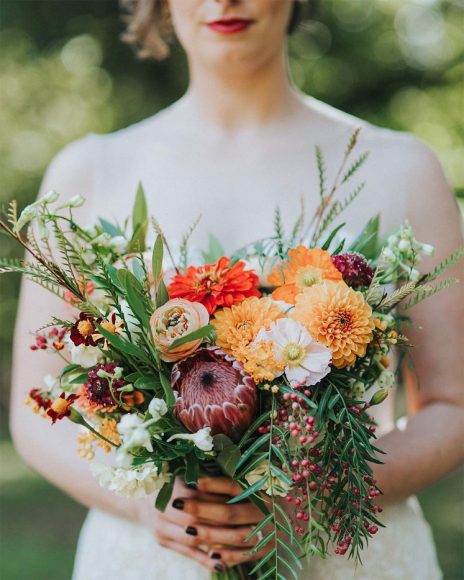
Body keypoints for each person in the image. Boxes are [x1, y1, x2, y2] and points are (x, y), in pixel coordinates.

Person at [10, 1, 463, 579]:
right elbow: (36, 416)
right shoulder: (90, 172)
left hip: (350, 550)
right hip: (156, 555)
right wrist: (145, 506)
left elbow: (452, 407)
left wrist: (314, 500)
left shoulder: (400, 168)